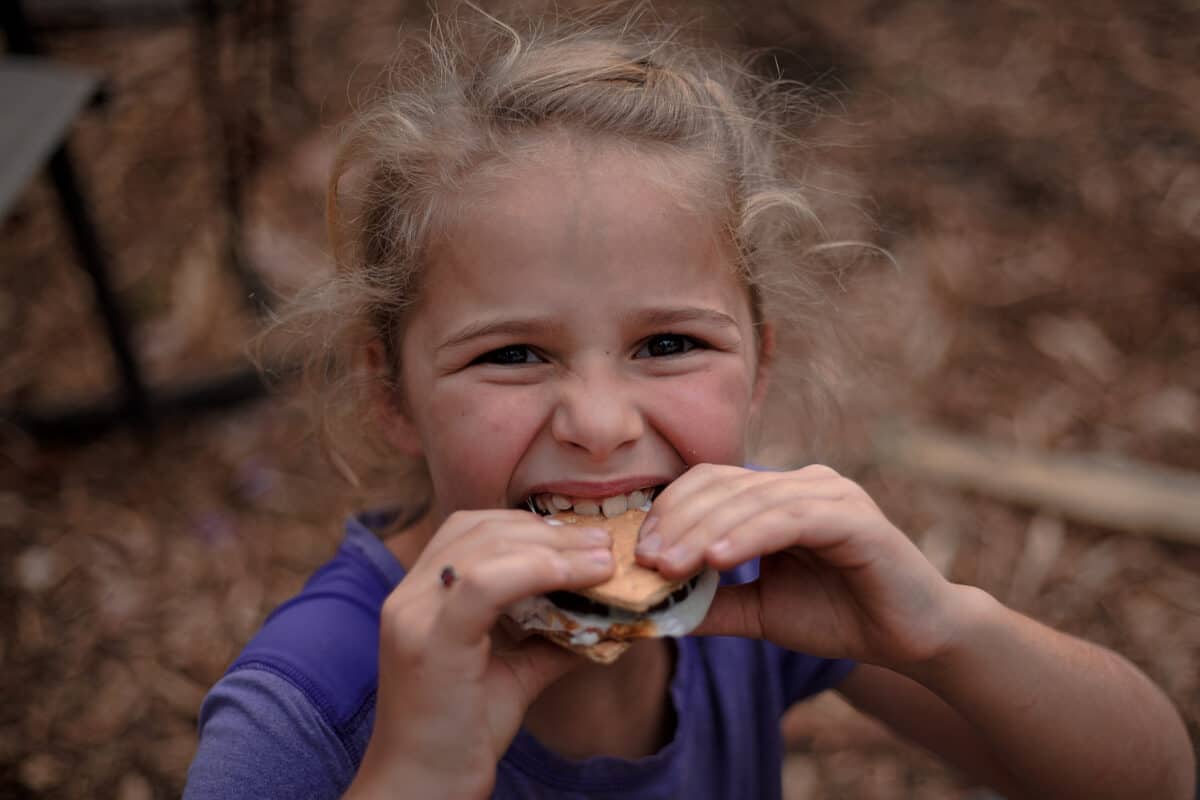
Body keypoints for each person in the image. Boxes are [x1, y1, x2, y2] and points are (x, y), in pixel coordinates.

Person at [184, 7, 1195, 799]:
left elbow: (1152, 780)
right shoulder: (310, 710)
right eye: (512, 352)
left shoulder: (760, 575)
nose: (600, 419)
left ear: (758, 364)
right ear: (389, 391)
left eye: (668, 344)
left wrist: (943, 627)